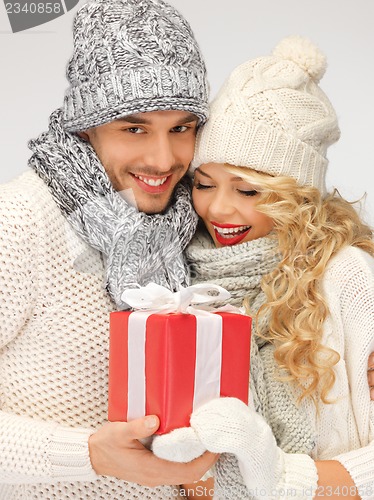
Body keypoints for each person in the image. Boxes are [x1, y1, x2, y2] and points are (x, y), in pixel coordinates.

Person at [0, 0, 218, 498]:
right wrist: (89, 454)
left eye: (182, 127)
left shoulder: (190, 218)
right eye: (134, 128)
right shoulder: (20, 219)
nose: (164, 159)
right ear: (85, 126)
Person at [152, 36, 374, 499]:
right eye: (205, 183)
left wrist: (284, 481)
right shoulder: (179, 281)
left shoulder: (346, 276)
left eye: (249, 191)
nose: (218, 209)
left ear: (297, 194)